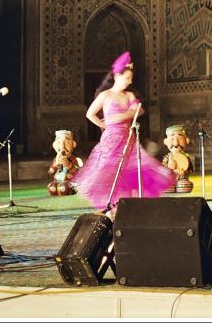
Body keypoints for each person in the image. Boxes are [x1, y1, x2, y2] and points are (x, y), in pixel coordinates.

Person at [73, 51, 175, 214]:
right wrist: (103, 124)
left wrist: (116, 117)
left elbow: (138, 111)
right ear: (117, 76)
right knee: (109, 172)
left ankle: (129, 205)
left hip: (128, 139)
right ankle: (111, 205)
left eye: (131, 78)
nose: (130, 81)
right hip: (111, 140)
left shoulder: (129, 95)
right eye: (127, 77)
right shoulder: (105, 95)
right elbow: (89, 114)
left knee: (131, 171)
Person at [162, 124, 195, 193]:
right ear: (166, 141)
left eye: (180, 139)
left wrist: (185, 171)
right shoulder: (168, 157)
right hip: (170, 178)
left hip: (182, 179)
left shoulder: (186, 156)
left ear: (186, 141)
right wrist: (168, 167)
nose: (176, 143)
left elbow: (191, 170)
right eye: (172, 139)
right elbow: (162, 169)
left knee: (185, 186)